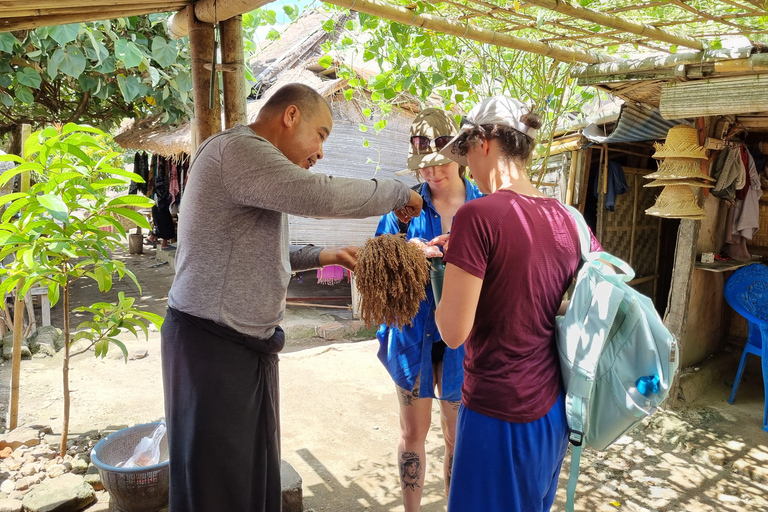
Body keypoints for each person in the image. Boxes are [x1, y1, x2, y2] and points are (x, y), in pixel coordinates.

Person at [160, 83, 423, 512]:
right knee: (218, 487)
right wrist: (397, 192)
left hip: (244, 347)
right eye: (321, 134)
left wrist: (325, 255)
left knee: (251, 478)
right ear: (291, 116)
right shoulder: (238, 151)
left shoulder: (256, 172)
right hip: (211, 346)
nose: (320, 152)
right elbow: (317, 194)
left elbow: (257, 251)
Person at [433, 96, 599, 512]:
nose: (467, 166)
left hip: (497, 413)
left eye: (466, 151)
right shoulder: (567, 217)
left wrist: (443, 272)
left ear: (485, 142)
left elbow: (453, 333)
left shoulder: (477, 216)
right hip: (551, 411)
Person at [375, 108, 482, 511]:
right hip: (412, 332)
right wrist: (407, 251)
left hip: (464, 337)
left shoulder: (483, 208)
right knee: (412, 433)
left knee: (457, 436)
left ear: (457, 156)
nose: (433, 175)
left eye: (440, 165)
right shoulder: (402, 210)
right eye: (425, 168)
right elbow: (378, 261)